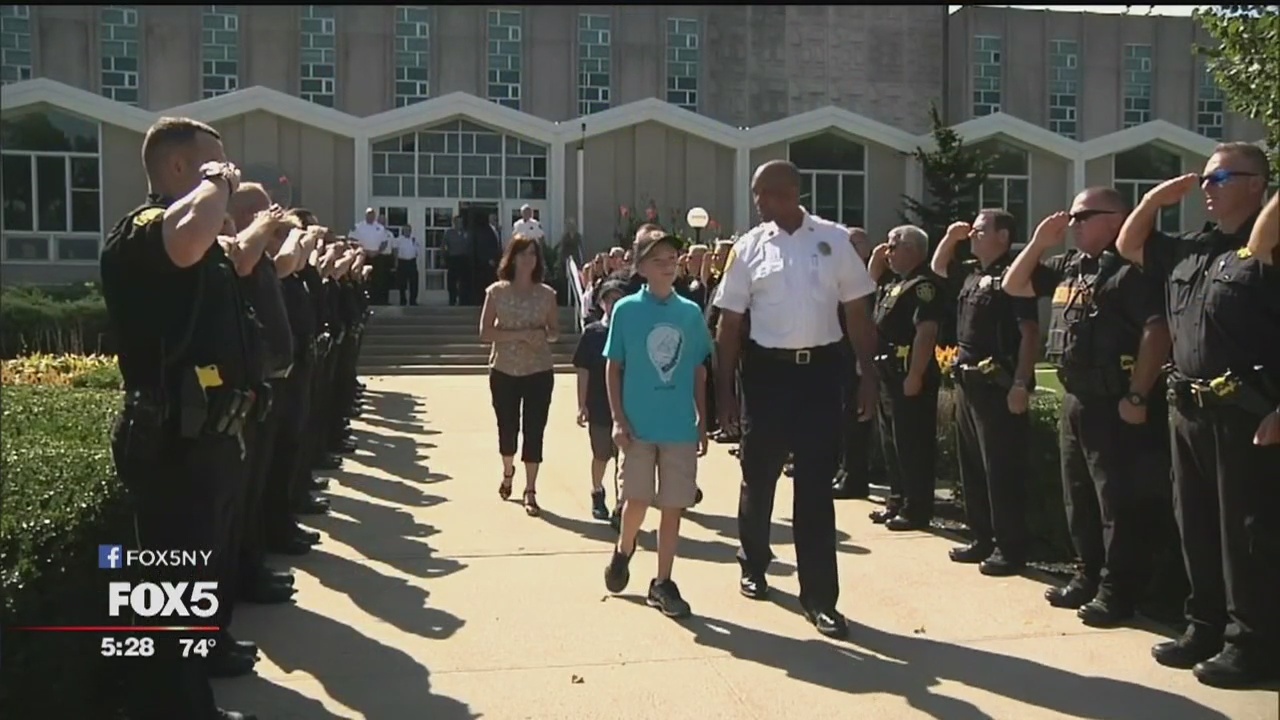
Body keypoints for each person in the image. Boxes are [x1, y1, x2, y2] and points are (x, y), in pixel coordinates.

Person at [98, 116, 259, 720]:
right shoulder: (143, 231)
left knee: (206, 567)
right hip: (168, 440)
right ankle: (179, 705)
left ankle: (204, 660)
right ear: (175, 169)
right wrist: (216, 188)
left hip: (209, 437)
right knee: (173, 584)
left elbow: (232, 259)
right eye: (215, 166)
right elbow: (187, 240)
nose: (228, 177)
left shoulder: (202, 232)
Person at [1116, 141, 1279, 688]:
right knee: (1197, 527)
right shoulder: (1190, 249)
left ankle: (1251, 645)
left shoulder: (1267, 244)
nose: (1208, 187)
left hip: (1245, 414)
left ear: (1258, 185)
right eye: (1206, 178)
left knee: (1245, 537)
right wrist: (1157, 198)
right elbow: (1129, 242)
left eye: (1223, 177)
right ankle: (1204, 626)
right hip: (1187, 410)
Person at [713, 160, 880, 638]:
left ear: (788, 191)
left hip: (821, 376)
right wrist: (725, 391)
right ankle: (754, 562)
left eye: (763, 193)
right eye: (756, 195)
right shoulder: (748, 248)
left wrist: (867, 374)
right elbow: (729, 325)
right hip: (767, 376)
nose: (758, 203)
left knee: (815, 488)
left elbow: (857, 314)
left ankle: (820, 598)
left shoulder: (833, 241)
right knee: (758, 475)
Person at [1004, 188, 1172, 626]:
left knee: (1115, 501)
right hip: (1076, 397)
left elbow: (1158, 332)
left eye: (1083, 216)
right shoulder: (1070, 267)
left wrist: (1137, 395)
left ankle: (1119, 591)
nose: (1073, 223)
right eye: (1073, 216)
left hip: (1115, 403)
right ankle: (1088, 574)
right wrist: (1041, 241)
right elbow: (1014, 284)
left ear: (1116, 219)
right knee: (1078, 497)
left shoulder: (1130, 273)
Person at [603, 230, 713, 618]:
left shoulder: (690, 313)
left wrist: (703, 420)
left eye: (672, 258)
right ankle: (624, 548)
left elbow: (699, 369)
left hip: (679, 426)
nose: (667, 265)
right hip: (637, 426)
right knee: (636, 500)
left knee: (673, 505)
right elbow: (613, 367)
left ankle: (663, 581)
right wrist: (617, 418)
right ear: (642, 268)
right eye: (658, 259)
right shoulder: (627, 311)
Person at [930, 210, 1041, 577]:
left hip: (998, 384)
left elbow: (1028, 333)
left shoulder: (1014, 275)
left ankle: (1009, 548)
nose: (973, 236)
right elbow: (939, 267)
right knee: (973, 466)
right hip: (968, 382)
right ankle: (982, 537)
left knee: (1001, 470)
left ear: (1003, 236)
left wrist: (1022, 384)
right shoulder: (972, 272)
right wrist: (951, 235)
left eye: (980, 231)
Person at [864, 225, 946, 529]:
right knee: (892, 443)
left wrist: (916, 374)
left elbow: (926, 332)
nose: (888, 252)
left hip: (908, 374)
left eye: (894, 246)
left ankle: (916, 509)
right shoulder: (897, 283)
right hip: (888, 374)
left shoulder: (923, 285)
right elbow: (872, 275)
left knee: (912, 445)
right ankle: (897, 500)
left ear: (912, 249)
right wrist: (881, 251)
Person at [479, 234, 560, 516]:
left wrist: (544, 335)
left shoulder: (547, 294)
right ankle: (507, 471)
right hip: (504, 369)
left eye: (532, 255)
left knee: (534, 429)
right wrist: (518, 334)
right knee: (507, 425)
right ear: (511, 258)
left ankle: (531, 489)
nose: (528, 260)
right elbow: (485, 332)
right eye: (522, 254)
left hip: (539, 370)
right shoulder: (496, 292)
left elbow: (555, 332)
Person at [574, 278, 627, 522]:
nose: (614, 304)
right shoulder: (593, 333)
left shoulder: (632, 332)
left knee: (625, 458)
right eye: (609, 299)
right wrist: (581, 404)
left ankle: (621, 505)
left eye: (619, 299)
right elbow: (583, 370)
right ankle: (597, 491)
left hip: (628, 404)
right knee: (601, 454)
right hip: (599, 402)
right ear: (601, 303)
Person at [835, 225, 877, 499]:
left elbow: (868, 324)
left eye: (856, 244)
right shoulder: (841, 279)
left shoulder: (869, 281)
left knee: (857, 420)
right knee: (843, 419)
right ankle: (844, 470)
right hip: (840, 359)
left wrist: (865, 364)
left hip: (858, 358)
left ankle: (855, 477)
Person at [444, 215, 472, 306]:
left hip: (464, 259)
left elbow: (471, 246)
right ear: (454, 223)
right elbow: (444, 246)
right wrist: (444, 257)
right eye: (457, 222)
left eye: (461, 222)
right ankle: (452, 300)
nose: (459, 224)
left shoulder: (467, 233)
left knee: (464, 281)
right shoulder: (449, 233)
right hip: (453, 258)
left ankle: (463, 300)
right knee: (451, 281)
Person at [394, 224, 421, 306]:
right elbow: (395, 251)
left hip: (412, 262)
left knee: (414, 282)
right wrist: (396, 262)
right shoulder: (398, 240)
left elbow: (417, 251)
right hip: (402, 262)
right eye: (405, 230)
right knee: (402, 283)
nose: (407, 232)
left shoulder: (414, 239)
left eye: (408, 230)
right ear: (403, 231)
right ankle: (403, 301)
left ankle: (413, 301)